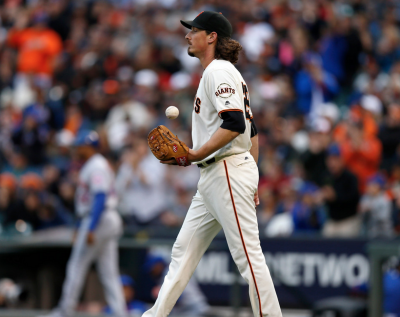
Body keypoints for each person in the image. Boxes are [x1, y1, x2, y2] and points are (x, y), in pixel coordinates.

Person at [142, 11, 281, 317]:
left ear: (211, 37)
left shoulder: (218, 70)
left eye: (194, 30)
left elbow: (234, 124)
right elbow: (251, 129)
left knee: (248, 256)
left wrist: (194, 153)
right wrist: (254, 177)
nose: (188, 35)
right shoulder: (218, 72)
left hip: (226, 169)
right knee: (183, 252)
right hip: (216, 176)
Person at [39, 130, 126, 317]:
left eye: (81, 146)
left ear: (90, 147)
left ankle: (65, 311)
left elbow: (100, 197)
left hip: (100, 219)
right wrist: (80, 227)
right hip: (103, 219)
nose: (77, 149)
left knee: (77, 266)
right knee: (108, 272)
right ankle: (120, 313)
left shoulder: (96, 165)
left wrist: (91, 227)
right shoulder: (93, 165)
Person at [319, 144, 361, 237]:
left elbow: (354, 199)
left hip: (348, 220)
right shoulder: (326, 176)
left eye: (335, 159)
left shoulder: (350, 177)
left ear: (341, 160)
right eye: (329, 159)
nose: (332, 163)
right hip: (332, 221)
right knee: (324, 240)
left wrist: (336, 196)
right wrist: (321, 197)